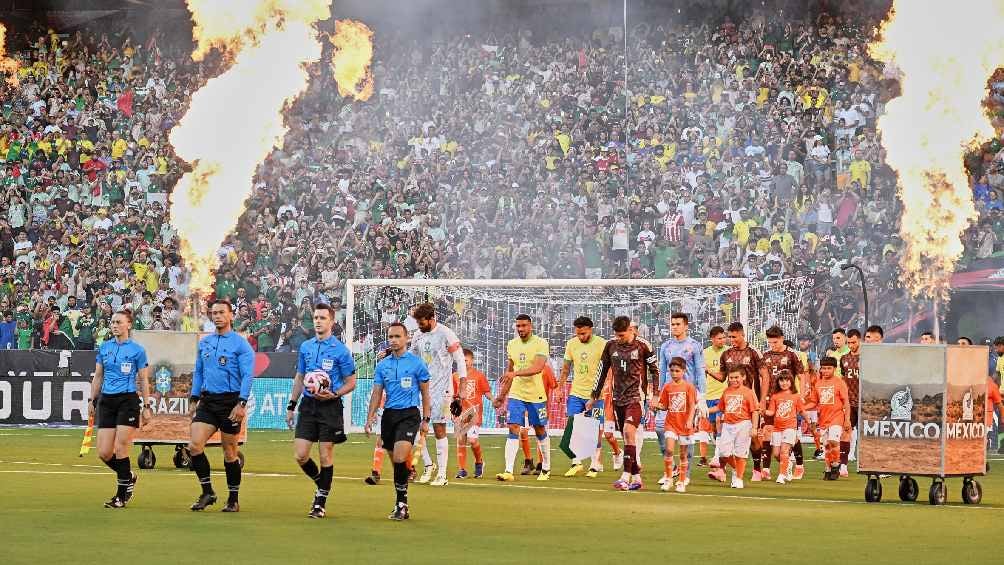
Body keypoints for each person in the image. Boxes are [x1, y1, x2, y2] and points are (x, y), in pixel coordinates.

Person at [286, 303, 357, 519]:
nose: (318, 321)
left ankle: (320, 501)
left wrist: (334, 394)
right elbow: (300, 377)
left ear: (331, 322)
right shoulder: (306, 347)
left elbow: (351, 382)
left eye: (323, 318)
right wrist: (292, 404)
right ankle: (321, 481)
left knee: (325, 454)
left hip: (330, 407)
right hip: (308, 406)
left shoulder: (341, 351)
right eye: (316, 317)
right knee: (300, 455)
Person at [187, 299, 255, 512]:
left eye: (221, 313)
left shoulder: (240, 344)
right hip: (208, 402)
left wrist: (241, 403)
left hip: (230, 402)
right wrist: (193, 398)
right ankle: (208, 492)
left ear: (230, 316)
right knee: (194, 446)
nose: (217, 316)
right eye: (214, 313)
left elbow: (247, 376)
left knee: (229, 452)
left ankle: (233, 499)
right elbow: (199, 372)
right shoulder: (205, 343)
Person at [365, 322, 431, 521]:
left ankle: (401, 504)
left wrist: (426, 419)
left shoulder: (417, 363)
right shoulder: (382, 365)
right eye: (390, 337)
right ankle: (402, 503)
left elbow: (426, 394)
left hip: (410, 415)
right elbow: (377, 393)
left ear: (406, 338)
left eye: (397, 336)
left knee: (401, 457)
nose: (393, 340)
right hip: (389, 416)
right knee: (396, 463)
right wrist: (370, 417)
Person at [587, 315, 659, 491]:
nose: (619, 339)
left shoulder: (643, 346)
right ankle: (637, 477)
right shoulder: (610, 346)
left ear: (630, 330)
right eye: (617, 335)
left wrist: (655, 395)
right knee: (627, 437)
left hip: (636, 397)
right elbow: (602, 370)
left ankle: (625, 477)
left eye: (622, 335)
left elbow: (655, 371)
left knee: (628, 432)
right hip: (617, 398)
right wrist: (594, 395)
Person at [88, 309, 152, 508]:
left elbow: (143, 379)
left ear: (129, 325)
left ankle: (121, 495)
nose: (114, 325)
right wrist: (92, 400)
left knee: (121, 447)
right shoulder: (104, 347)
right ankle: (129, 476)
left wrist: (147, 406)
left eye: (118, 322)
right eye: (112, 322)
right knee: (104, 453)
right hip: (107, 401)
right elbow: (98, 376)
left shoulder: (137, 350)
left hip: (128, 400)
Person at [410, 303, 465, 487]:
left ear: (432, 318)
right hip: (421, 388)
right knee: (416, 427)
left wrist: (461, 391)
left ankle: (442, 474)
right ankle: (428, 465)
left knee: (439, 428)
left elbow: (460, 361)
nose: (419, 325)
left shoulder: (446, 334)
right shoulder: (418, 335)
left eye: (421, 321)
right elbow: (411, 357)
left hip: (442, 389)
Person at [493, 314, 551, 481]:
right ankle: (508, 471)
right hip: (517, 394)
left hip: (536, 394)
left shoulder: (541, 343)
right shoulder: (511, 344)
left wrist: (515, 373)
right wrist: (501, 396)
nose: (521, 329)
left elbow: (538, 367)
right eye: (518, 326)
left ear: (530, 326)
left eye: (524, 325)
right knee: (513, 427)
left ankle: (546, 468)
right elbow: (509, 374)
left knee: (539, 429)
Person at [656, 312, 706, 487]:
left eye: (678, 324)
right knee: (660, 430)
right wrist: (658, 392)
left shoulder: (694, 345)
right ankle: (672, 469)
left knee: (687, 433)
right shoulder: (665, 346)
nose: (674, 327)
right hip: (669, 395)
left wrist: (702, 396)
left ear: (686, 326)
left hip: (689, 398)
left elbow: (700, 371)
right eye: (672, 324)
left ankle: (686, 474)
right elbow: (662, 371)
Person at [558, 316, 607, 477]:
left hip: (595, 394)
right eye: (578, 334)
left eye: (583, 333)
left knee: (595, 429)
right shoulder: (571, 344)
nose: (580, 337)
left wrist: (605, 387)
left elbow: (610, 369)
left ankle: (594, 465)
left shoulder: (602, 344)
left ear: (590, 329)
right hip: (576, 393)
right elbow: (566, 368)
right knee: (573, 425)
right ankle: (576, 462)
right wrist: (559, 387)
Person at [718, 322, 767, 480]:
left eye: (734, 336)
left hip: (751, 401)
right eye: (729, 336)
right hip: (733, 403)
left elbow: (764, 376)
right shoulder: (726, 354)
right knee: (728, 439)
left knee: (753, 437)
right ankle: (729, 469)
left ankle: (757, 469)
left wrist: (763, 399)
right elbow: (722, 377)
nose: (731, 339)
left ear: (742, 334)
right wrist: (706, 369)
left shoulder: (753, 352)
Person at [759, 326, 805, 481]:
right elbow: (763, 379)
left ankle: (799, 465)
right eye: (770, 342)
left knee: (793, 436)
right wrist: (762, 399)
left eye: (775, 342)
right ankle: (767, 468)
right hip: (771, 399)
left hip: (788, 401)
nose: (773, 345)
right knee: (767, 431)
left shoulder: (792, 354)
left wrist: (802, 395)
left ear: (782, 338)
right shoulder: (765, 356)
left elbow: (801, 375)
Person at [707, 367, 759, 489]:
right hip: (728, 425)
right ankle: (736, 469)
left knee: (740, 454)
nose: (734, 380)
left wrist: (754, 428)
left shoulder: (748, 392)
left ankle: (739, 478)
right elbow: (720, 408)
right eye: (731, 378)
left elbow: (755, 411)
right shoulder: (726, 391)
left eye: (737, 377)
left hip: (744, 425)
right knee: (724, 453)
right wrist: (705, 410)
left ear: (743, 377)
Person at [652, 358, 697, 492]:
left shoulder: (689, 387)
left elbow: (692, 405)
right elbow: (665, 406)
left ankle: (682, 481)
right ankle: (669, 478)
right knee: (669, 450)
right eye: (672, 371)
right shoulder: (667, 387)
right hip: (671, 423)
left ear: (683, 371)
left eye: (677, 371)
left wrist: (690, 420)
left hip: (684, 426)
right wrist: (656, 406)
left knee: (683, 455)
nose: (674, 373)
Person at [804, 357, 851, 480]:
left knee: (833, 442)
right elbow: (814, 402)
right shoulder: (818, 383)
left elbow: (846, 402)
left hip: (837, 417)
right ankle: (828, 468)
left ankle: (836, 464)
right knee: (826, 446)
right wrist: (801, 407)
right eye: (823, 368)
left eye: (829, 368)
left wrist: (847, 420)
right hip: (824, 419)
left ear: (835, 369)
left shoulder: (840, 382)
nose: (826, 370)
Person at [764, 370, 810, 484]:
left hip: (790, 427)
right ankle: (787, 464)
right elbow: (771, 412)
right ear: (778, 382)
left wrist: (809, 420)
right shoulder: (775, 396)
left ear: (791, 382)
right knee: (776, 454)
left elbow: (802, 411)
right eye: (781, 380)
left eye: (787, 380)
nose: (784, 383)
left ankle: (782, 475)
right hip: (777, 428)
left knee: (784, 451)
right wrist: (762, 411)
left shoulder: (796, 396)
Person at [453, 348, 491, 479]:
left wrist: (495, 400)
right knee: (461, 440)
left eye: (466, 360)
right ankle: (462, 469)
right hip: (460, 414)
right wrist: (453, 413)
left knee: (473, 440)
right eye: (461, 361)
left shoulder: (479, 376)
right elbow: (453, 395)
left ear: (472, 361)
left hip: (474, 414)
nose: (463, 363)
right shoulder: (455, 376)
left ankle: (479, 462)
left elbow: (487, 392)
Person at [704, 326, 729, 480]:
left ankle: (716, 457)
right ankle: (719, 453)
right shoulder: (704, 353)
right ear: (712, 338)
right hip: (709, 395)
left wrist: (709, 370)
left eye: (724, 337)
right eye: (719, 338)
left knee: (720, 422)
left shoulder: (727, 352)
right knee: (713, 427)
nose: (723, 340)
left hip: (724, 394)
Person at [838, 329, 863, 477]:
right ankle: (843, 465)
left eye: (854, 342)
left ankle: (872, 465)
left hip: (865, 402)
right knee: (846, 431)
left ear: (859, 341)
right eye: (849, 343)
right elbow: (843, 380)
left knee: (867, 434)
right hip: (849, 403)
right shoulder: (844, 359)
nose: (851, 345)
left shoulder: (867, 358)